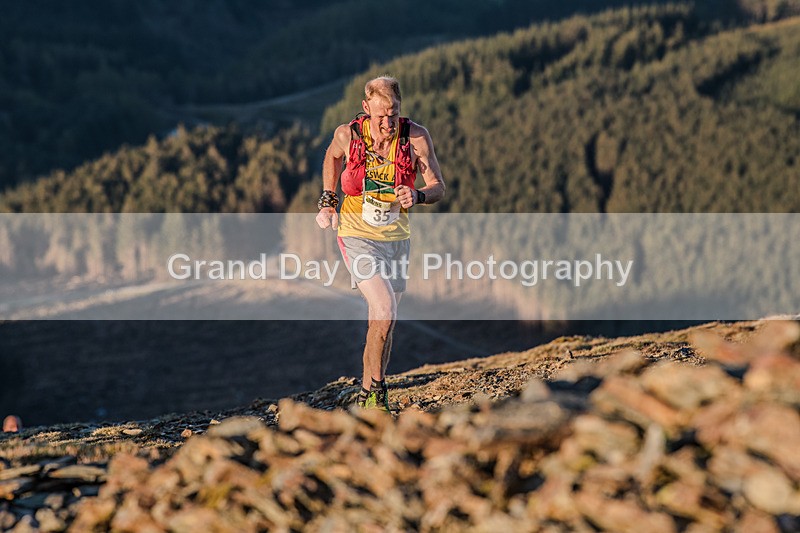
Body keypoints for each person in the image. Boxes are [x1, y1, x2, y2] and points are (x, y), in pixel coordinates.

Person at [316, 76, 445, 410]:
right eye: (380, 116)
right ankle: (377, 394)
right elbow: (332, 157)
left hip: (396, 238)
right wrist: (328, 200)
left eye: (393, 113)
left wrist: (418, 195)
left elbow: (438, 186)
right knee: (385, 308)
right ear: (366, 108)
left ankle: (366, 391)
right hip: (356, 234)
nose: (387, 123)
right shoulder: (348, 135)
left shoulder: (416, 137)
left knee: (384, 319)